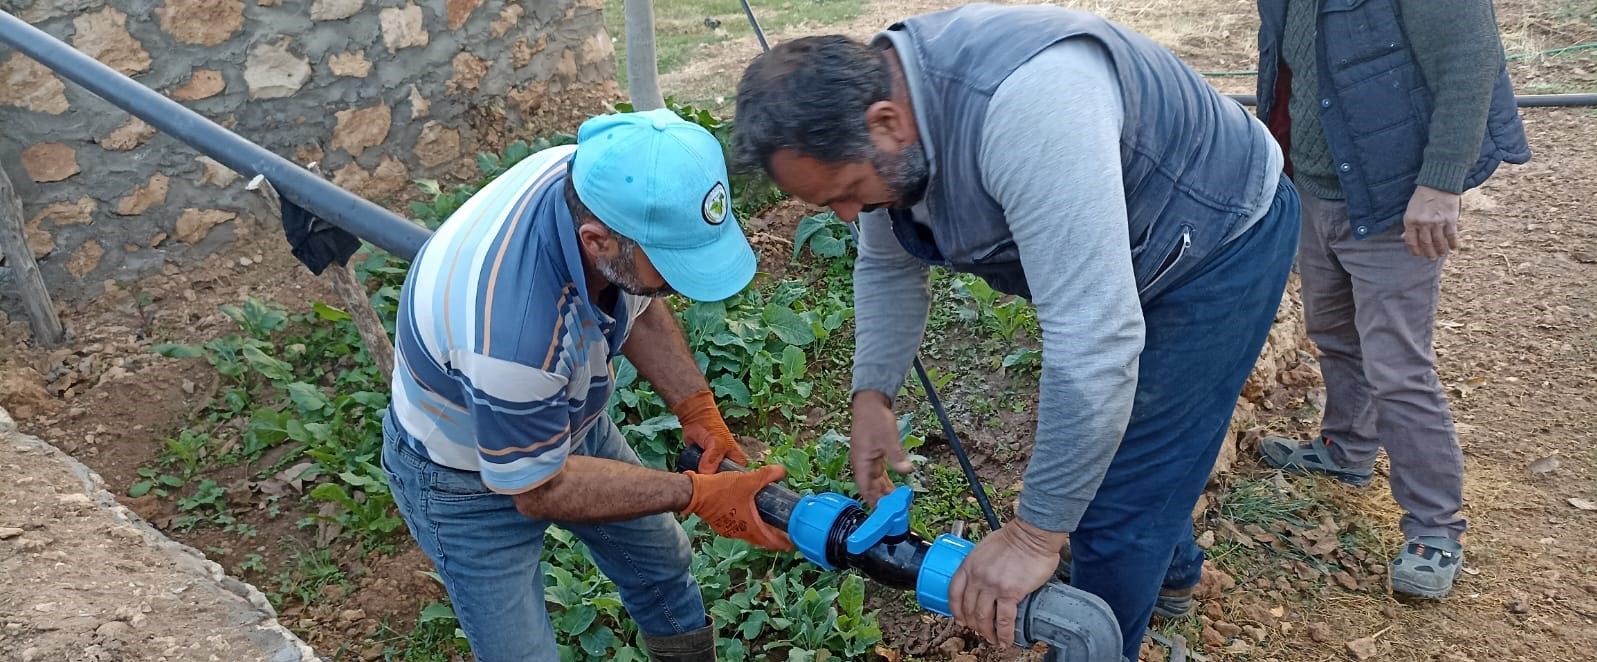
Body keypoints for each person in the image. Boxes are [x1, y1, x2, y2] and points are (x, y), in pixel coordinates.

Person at [731, 4, 1301, 659]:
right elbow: (887, 264)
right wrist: (872, 393)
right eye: (827, 201)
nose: (845, 214)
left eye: (847, 191)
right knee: (1126, 451)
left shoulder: (1031, 110)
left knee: (1116, 503)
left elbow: (1095, 345)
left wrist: (1034, 536)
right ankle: (1169, 571)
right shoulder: (883, 121)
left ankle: (1101, 634)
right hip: (1132, 240)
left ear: (885, 122)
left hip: (1218, 236)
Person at [379, 108, 792, 662]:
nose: (680, 285)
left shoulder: (602, 182)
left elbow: (640, 300)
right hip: (462, 476)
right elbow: (540, 488)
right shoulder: (511, 332)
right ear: (596, 242)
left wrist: (697, 409)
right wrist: (694, 493)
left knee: (662, 563)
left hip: (567, 420)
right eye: (671, 265)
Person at [1253, 0, 1529, 600]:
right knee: (1333, 335)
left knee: (1398, 368)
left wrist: (1441, 182)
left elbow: (1470, 60)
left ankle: (1434, 525)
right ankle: (1348, 448)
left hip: (1394, 196)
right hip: (1314, 188)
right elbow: (1285, 69)